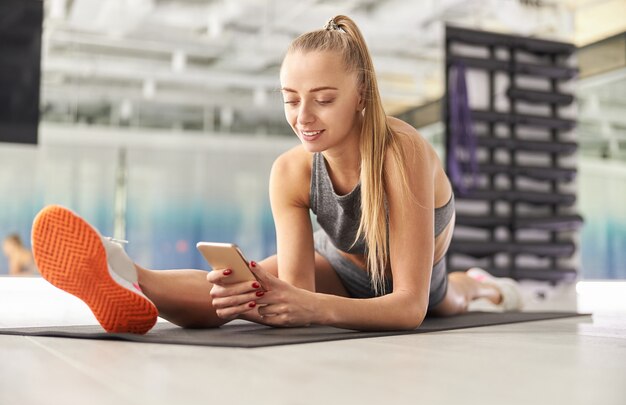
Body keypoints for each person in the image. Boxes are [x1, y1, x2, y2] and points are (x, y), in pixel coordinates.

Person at [30, 15, 522, 334]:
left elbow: (408, 307)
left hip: (419, 281)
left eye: (324, 99)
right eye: (290, 99)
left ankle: (485, 283)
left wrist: (313, 306)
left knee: (455, 297)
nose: (303, 116)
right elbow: (298, 291)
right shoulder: (290, 171)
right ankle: (129, 275)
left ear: (362, 95)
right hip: (344, 270)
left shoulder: (402, 151)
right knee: (251, 285)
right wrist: (265, 299)